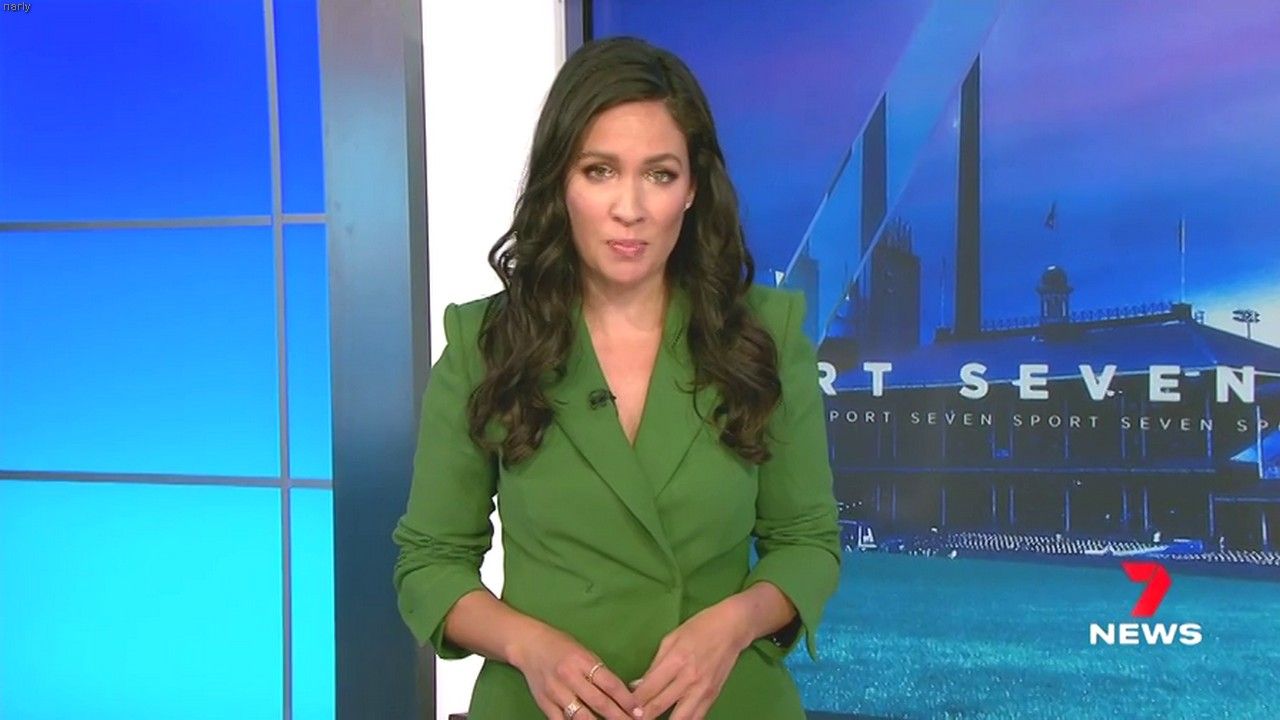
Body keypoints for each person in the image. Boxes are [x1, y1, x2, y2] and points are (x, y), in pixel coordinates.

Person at [393, 36, 841, 720]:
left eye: (659, 174)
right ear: (560, 182)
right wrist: (528, 646)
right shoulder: (485, 345)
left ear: (692, 190)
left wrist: (732, 627)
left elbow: (807, 544)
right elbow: (429, 561)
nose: (629, 208)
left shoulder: (764, 336)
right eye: (600, 171)